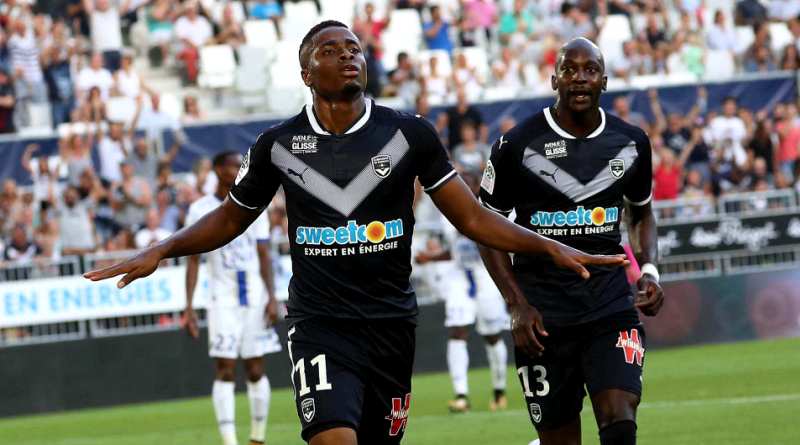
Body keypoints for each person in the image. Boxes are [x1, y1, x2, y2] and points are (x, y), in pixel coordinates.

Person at [84, 22, 626, 445]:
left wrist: (549, 245)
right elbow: (230, 218)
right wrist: (164, 247)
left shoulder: (409, 134)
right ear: (306, 73)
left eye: (354, 48)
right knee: (332, 437)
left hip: (392, 322)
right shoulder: (277, 144)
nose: (347, 55)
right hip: (321, 322)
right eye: (330, 50)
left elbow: (475, 219)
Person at [478, 38, 663, 445]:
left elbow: (642, 212)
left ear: (605, 81)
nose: (579, 78)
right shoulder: (516, 145)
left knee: (620, 420)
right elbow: (485, 229)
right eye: (569, 69)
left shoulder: (631, 142)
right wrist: (516, 305)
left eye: (590, 69)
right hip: (542, 316)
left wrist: (648, 270)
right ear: (553, 79)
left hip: (610, 305)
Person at [184, 151, 281, 445]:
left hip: (254, 296)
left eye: (239, 165)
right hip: (222, 298)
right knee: (224, 369)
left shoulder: (256, 203)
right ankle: (229, 441)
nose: (234, 170)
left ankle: (257, 437)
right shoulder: (200, 208)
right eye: (229, 165)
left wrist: (272, 296)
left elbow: (264, 255)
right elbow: (192, 259)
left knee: (255, 368)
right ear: (215, 169)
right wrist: (188, 306)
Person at [415, 168, 510, 414]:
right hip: (459, 276)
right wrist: (433, 258)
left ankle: (499, 390)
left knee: (492, 335)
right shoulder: (448, 214)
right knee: (457, 330)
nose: (465, 188)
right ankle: (461, 395)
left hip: (485, 275)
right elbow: (457, 249)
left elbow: (488, 237)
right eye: (462, 184)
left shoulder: (490, 210)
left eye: (469, 184)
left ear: (478, 187)